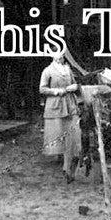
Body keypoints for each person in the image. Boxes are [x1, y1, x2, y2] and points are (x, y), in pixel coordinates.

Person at [39, 53, 82, 183]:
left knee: (74, 137)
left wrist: (74, 87)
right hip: (56, 106)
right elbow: (42, 89)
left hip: (70, 105)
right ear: (52, 56)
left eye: (61, 55)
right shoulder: (48, 71)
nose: (60, 58)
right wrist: (56, 91)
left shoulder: (67, 69)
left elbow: (75, 84)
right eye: (56, 55)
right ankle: (66, 168)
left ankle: (69, 168)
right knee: (61, 137)